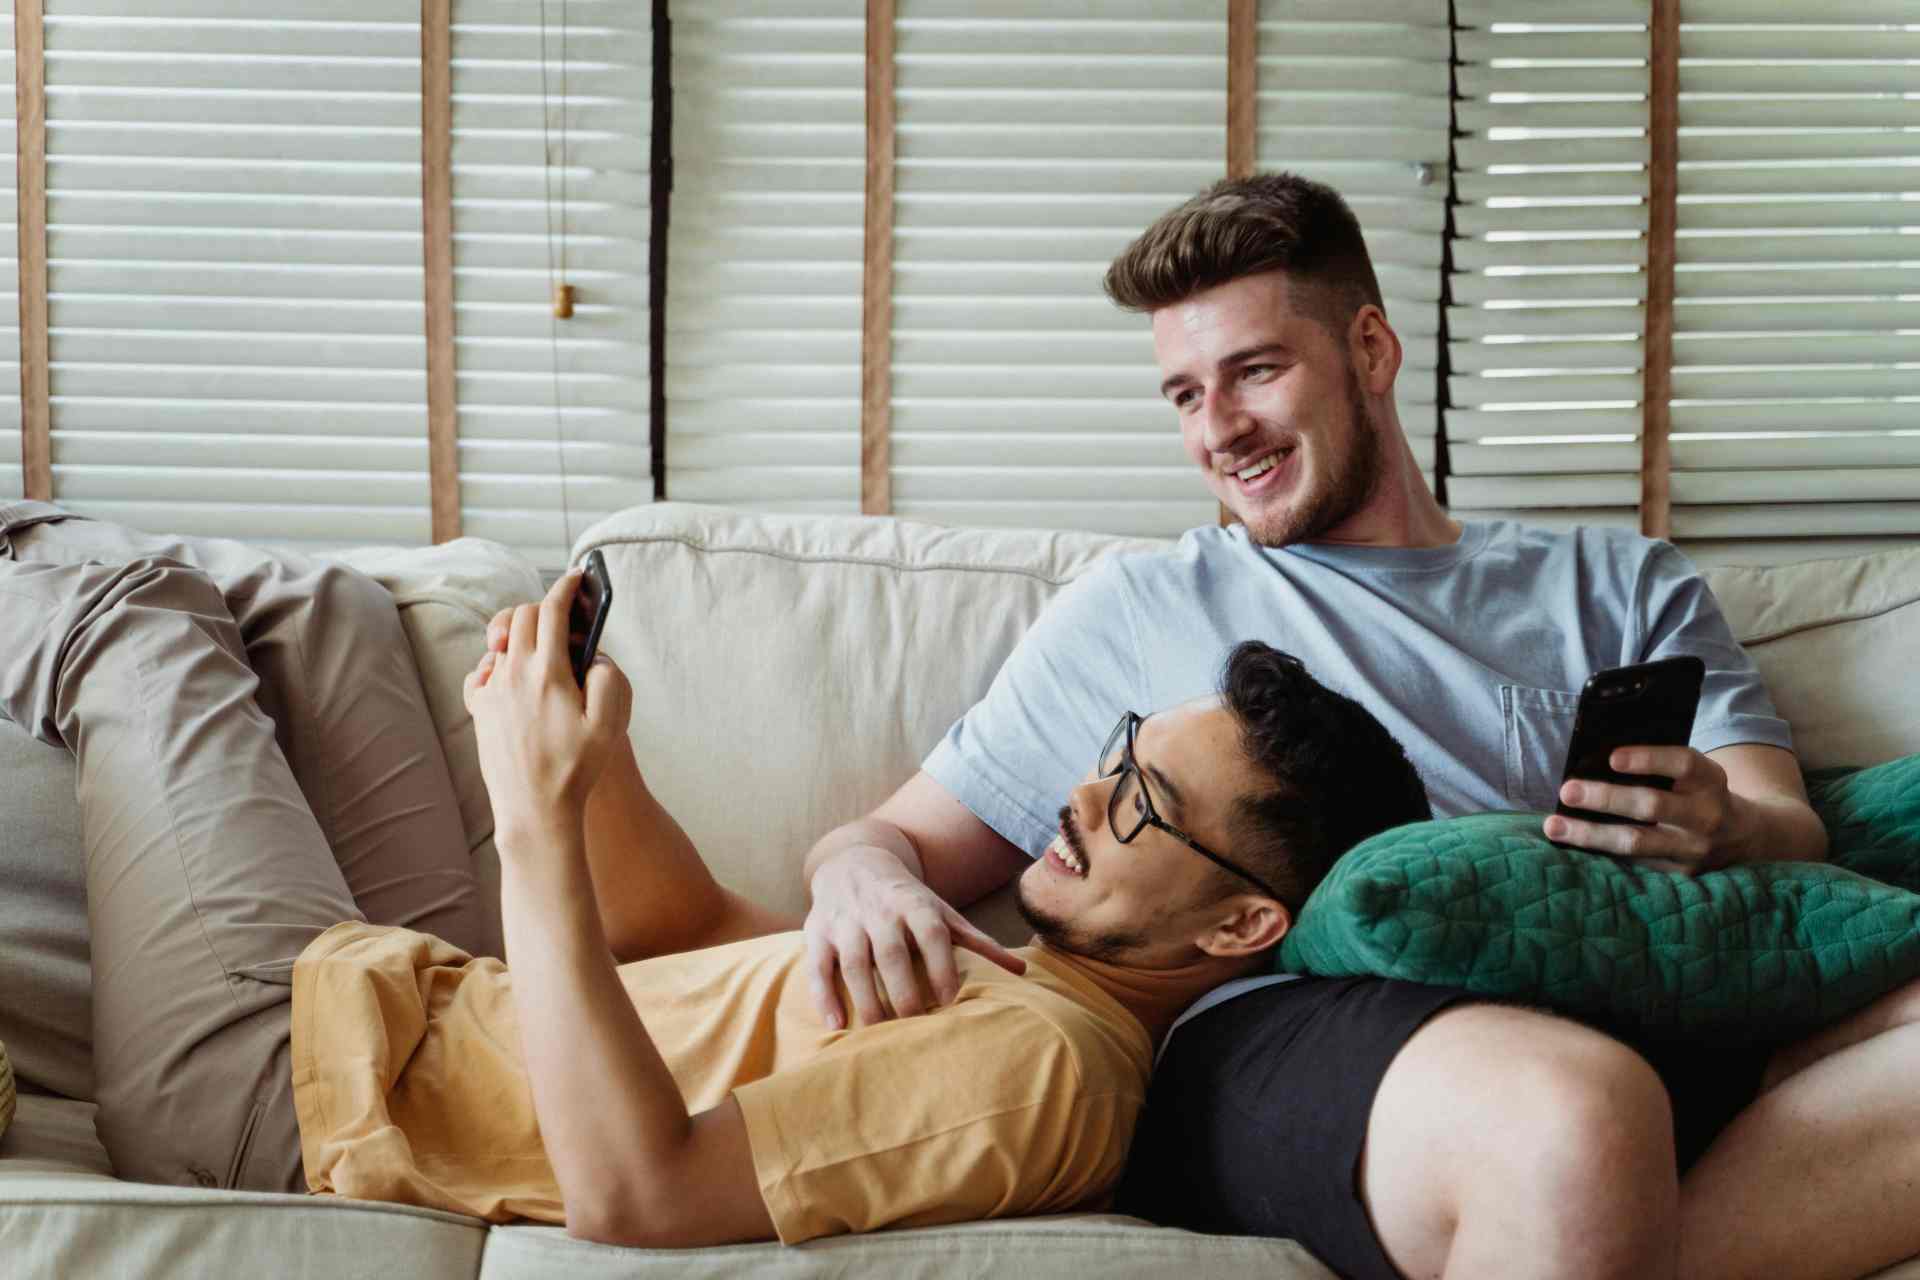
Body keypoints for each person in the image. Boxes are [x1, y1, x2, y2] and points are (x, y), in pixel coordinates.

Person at [795, 173, 1920, 1280]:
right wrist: (860, 878)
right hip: (1293, 1031)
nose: (1220, 430)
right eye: (1185, 394)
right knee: (1574, 1113)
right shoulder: (1136, 609)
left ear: (1371, 350)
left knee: (1617, 1114)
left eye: (1255, 371)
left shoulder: (1615, 585)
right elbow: (888, 839)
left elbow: (1786, 819)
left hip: (1640, 992)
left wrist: (1727, 827)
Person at [0, 499, 1431, 1246]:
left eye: (1140, 803)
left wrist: (535, 812)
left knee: (139, 615)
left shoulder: (1049, 1074)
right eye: (1116, 752)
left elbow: (643, 1194)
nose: (1080, 795)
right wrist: (598, 748)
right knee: (318, 609)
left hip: (286, 1095)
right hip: (418, 1010)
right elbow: (679, 936)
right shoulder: (1015, 976)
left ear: (1247, 920)